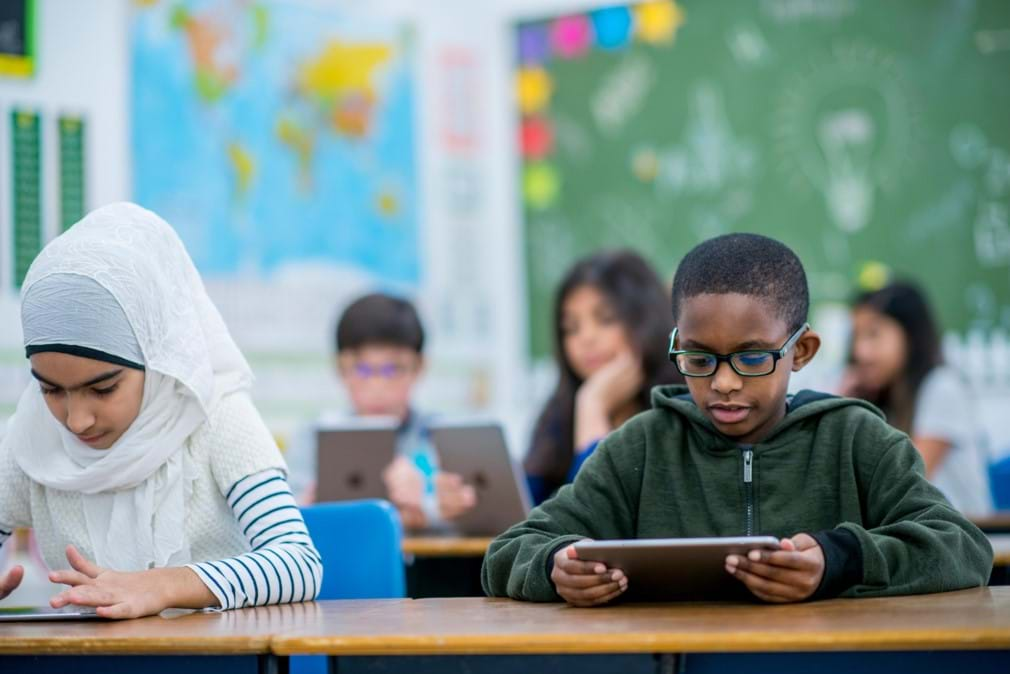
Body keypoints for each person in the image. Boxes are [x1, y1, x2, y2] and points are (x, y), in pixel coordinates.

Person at [482, 233, 992, 606]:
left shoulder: (857, 439)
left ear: (802, 351)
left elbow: (964, 547)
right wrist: (556, 568)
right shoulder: (640, 446)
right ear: (677, 346)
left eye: (751, 358)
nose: (723, 383)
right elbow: (508, 551)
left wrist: (838, 560)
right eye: (699, 359)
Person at [0, 203, 321, 618]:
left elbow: (299, 564)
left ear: (158, 359)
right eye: (50, 389)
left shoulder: (215, 415)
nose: (76, 419)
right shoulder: (31, 435)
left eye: (103, 388)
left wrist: (165, 585)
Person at [289, 293, 476, 531]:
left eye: (393, 369)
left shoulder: (445, 438)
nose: (377, 385)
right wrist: (308, 509)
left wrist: (430, 512)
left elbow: (484, 518)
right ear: (340, 368)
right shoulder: (314, 437)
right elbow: (286, 519)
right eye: (362, 369)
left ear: (419, 367)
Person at [524, 250, 682, 505]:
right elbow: (524, 509)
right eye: (571, 328)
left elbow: (598, 515)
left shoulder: (678, 410)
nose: (586, 338)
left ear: (646, 320)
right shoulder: (558, 414)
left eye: (606, 319)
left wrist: (592, 406)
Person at [843, 281, 992, 514]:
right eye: (856, 337)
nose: (860, 352)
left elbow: (902, 481)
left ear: (910, 335)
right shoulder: (884, 398)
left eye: (874, 334)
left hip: (962, 541)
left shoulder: (942, 387)